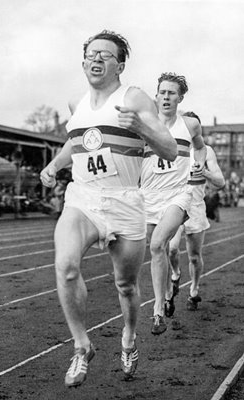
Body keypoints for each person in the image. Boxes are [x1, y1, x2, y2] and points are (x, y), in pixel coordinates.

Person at [40, 30, 177, 387]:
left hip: (125, 201)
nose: (96, 59)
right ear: (83, 61)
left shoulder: (133, 97)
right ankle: (82, 346)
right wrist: (55, 166)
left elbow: (170, 149)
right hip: (83, 198)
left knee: (126, 286)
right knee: (66, 266)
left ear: (120, 64)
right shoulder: (76, 103)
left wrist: (142, 128)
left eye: (105, 54)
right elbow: (77, 141)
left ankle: (129, 337)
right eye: (90, 53)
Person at [140, 73, 206, 335]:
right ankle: (167, 293)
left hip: (178, 194)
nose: (166, 97)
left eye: (171, 93)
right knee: (157, 250)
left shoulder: (189, 125)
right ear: (156, 96)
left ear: (180, 98)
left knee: (158, 244)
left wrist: (196, 162)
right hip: (148, 195)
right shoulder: (145, 123)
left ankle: (157, 308)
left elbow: (199, 147)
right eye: (162, 92)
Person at [169, 111, 225, 311]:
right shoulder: (173, 145)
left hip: (196, 206)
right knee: (172, 248)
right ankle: (175, 273)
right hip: (175, 203)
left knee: (194, 255)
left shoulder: (206, 151)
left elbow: (220, 182)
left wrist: (206, 172)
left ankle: (194, 289)